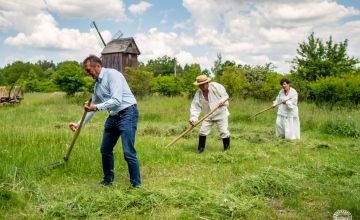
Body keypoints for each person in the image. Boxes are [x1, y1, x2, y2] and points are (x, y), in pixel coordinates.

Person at [68, 55, 141, 187]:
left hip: (128, 113)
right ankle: (108, 181)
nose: (88, 73)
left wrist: (96, 107)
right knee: (105, 150)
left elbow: (117, 100)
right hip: (113, 116)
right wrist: (79, 124)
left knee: (128, 152)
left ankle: (136, 186)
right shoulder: (97, 86)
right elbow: (91, 108)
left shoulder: (113, 75)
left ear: (98, 66)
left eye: (89, 70)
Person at [189, 75, 230, 154]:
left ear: (207, 82)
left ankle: (227, 150)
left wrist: (222, 101)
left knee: (224, 131)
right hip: (208, 115)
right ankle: (200, 149)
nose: (201, 86)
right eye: (199, 85)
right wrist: (193, 119)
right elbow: (195, 106)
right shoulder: (198, 94)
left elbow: (225, 96)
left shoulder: (216, 87)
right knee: (202, 131)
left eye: (203, 84)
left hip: (220, 113)